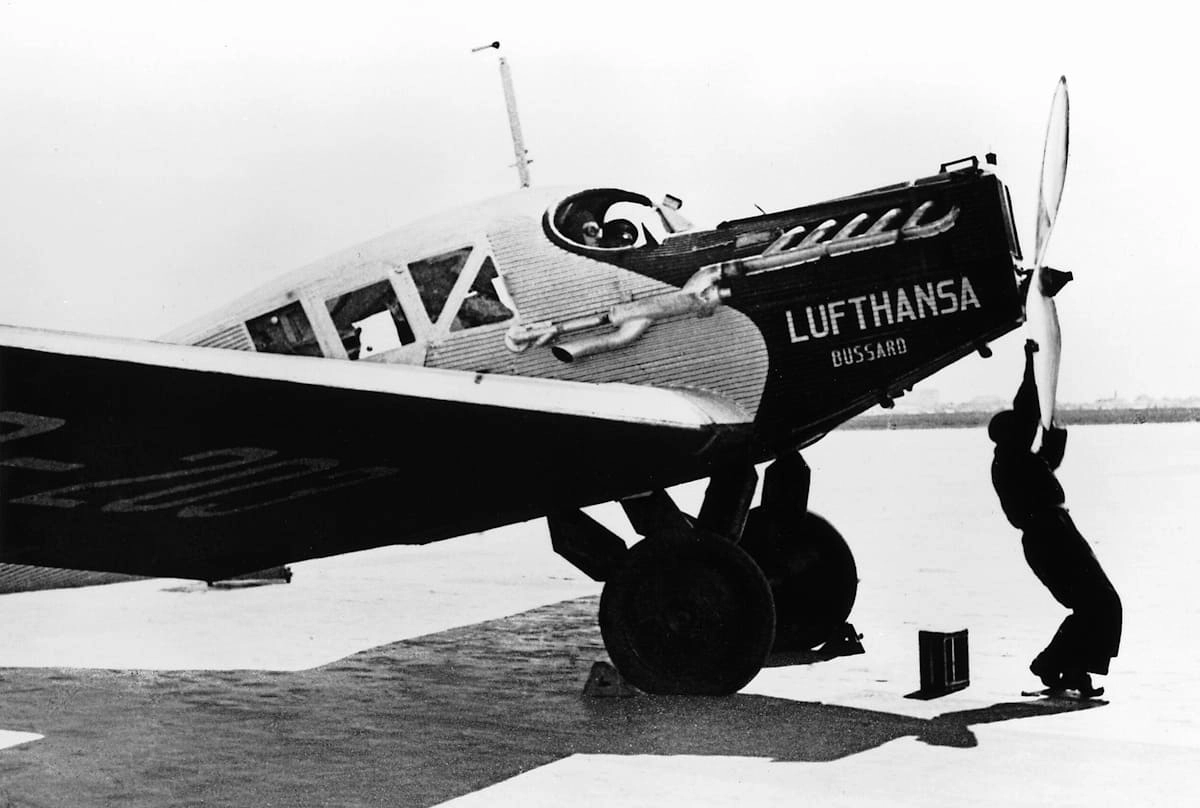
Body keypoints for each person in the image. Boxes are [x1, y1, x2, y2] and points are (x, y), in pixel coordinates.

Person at [988, 339, 1122, 696]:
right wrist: (1032, 366)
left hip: (1053, 534)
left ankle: (1067, 668)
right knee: (1100, 602)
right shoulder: (1011, 458)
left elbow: (1045, 451)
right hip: (1049, 536)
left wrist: (1035, 371)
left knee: (1095, 604)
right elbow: (1028, 408)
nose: (1028, 428)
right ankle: (1055, 664)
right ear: (1011, 434)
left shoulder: (1015, 460)